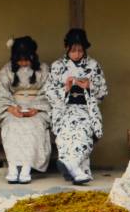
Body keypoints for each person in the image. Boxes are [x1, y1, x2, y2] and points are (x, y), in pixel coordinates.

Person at [46, 28, 108, 185]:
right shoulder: (57, 66)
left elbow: (103, 92)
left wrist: (89, 86)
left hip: (85, 109)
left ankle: (71, 165)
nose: (77, 53)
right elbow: (48, 92)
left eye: (80, 50)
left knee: (83, 132)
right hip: (64, 110)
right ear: (66, 48)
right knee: (65, 136)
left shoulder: (93, 65)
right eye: (73, 50)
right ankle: (77, 170)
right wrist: (65, 89)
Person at [0, 36, 52, 184]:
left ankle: (26, 169)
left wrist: (36, 108)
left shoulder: (43, 69)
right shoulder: (6, 70)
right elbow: (1, 93)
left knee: (33, 126)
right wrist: (11, 108)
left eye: (27, 59)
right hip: (14, 107)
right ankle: (13, 168)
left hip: (37, 109)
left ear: (33, 55)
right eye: (20, 59)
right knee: (12, 126)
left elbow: (49, 92)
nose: (23, 63)